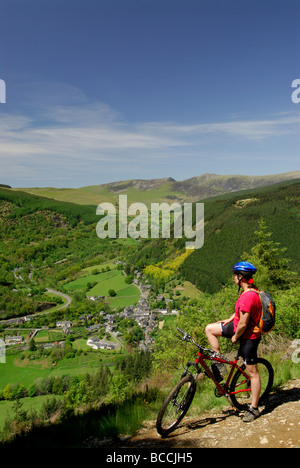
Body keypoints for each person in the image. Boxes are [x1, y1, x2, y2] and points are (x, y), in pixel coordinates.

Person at [205, 261, 262, 422]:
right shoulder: (249, 292)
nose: (233, 278)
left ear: (241, 277)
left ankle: (254, 408)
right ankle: (219, 362)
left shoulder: (249, 296)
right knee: (210, 329)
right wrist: (228, 320)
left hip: (248, 336)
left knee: (252, 373)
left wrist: (235, 337)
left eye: (235, 275)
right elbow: (240, 312)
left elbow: (244, 323)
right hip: (237, 326)